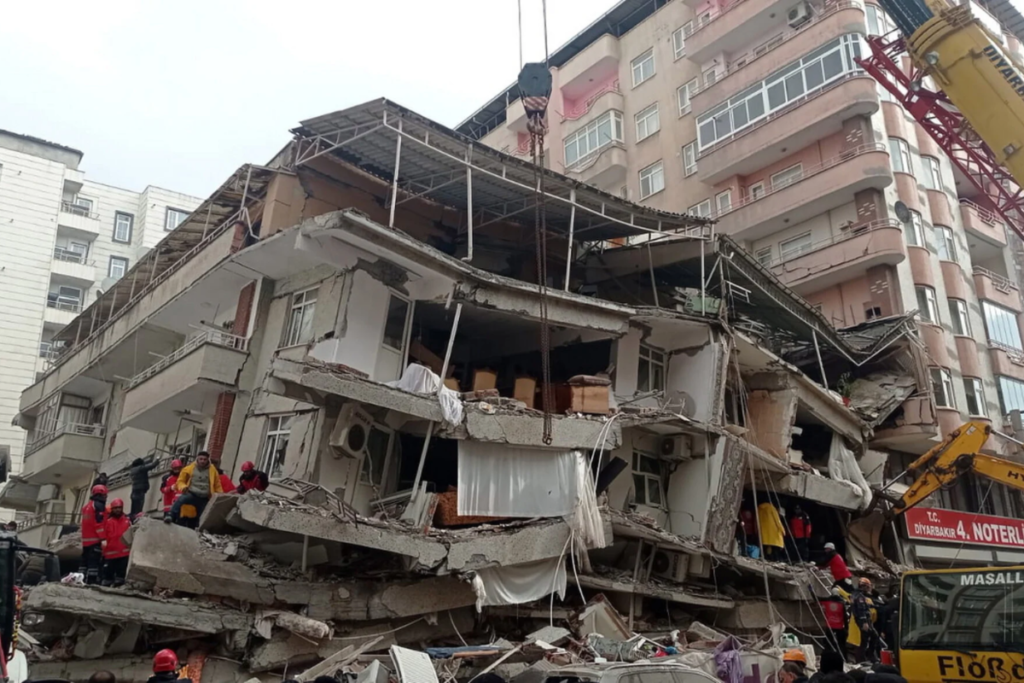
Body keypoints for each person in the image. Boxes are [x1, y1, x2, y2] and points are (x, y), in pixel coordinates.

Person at [165, 451, 222, 525]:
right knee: (181, 500)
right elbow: (180, 481)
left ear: (208, 460)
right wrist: (184, 487)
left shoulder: (213, 470)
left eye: (205, 459)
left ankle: (200, 527)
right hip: (192, 493)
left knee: (204, 514)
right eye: (201, 459)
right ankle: (170, 515)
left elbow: (217, 485)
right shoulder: (188, 469)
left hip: (205, 498)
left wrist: (220, 495)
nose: (202, 461)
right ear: (197, 459)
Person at [80, 484, 108, 585]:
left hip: (85, 540)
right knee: (93, 562)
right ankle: (91, 582)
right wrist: (103, 538)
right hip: (95, 539)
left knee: (84, 562)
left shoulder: (86, 506)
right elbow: (99, 523)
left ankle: (80, 579)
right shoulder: (98, 506)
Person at [101, 498, 131, 586]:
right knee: (108, 574)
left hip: (124, 553)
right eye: (115, 508)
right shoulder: (108, 522)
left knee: (120, 575)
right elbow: (103, 536)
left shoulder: (127, 521)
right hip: (110, 553)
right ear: (112, 509)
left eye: (119, 507)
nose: (118, 510)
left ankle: (118, 581)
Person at [852, 578, 881, 663]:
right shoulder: (860, 596)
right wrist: (864, 622)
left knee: (867, 639)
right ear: (863, 586)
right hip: (863, 621)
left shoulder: (855, 594)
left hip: (862, 620)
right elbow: (861, 609)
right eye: (868, 586)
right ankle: (865, 658)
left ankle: (867, 657)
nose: (869, 588)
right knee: (869, 638)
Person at [821, 587, 850, 657]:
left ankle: (828, 657)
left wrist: (811, 591)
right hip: (840, 626)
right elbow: (844, 616)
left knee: (828, 643)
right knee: (842, 644)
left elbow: (817, 599)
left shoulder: (827, 601)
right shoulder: (842, 602)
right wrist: (847, 628)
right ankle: (843, 657)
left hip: (830, 626)